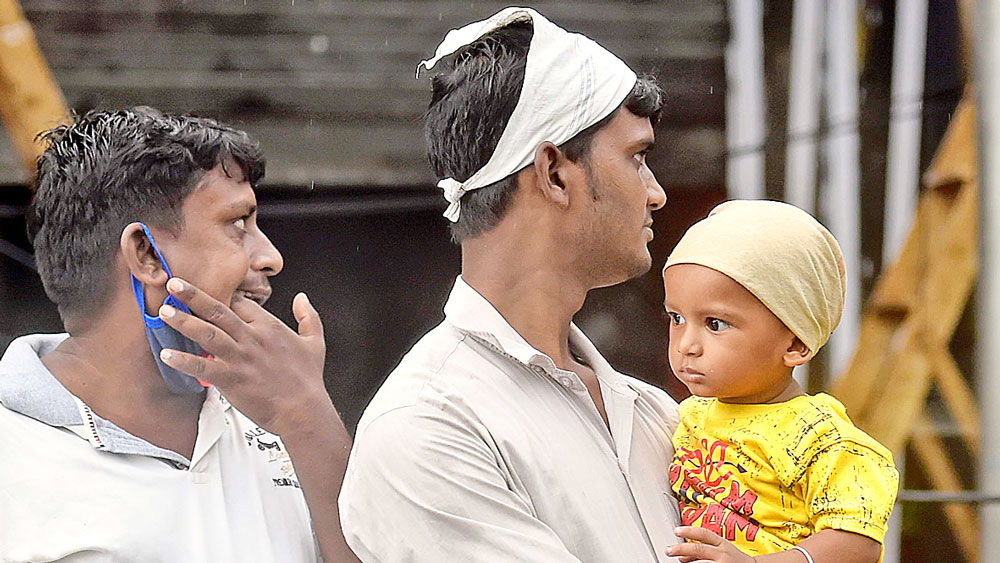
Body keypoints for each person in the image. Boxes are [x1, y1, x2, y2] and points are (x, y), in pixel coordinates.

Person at [339, 7, 682, 562]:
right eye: (637, 158)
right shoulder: (429, 427)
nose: (656, 192)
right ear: (553, 173)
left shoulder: (656, 414)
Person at [0, 107, 357, 562]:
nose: (270, 257)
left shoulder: (285, 421)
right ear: (146, 254)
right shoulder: (12, 453)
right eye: (238, 224)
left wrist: (310, 418)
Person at [661, 200, 899, 563]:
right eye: (676, 318)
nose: (687, 346)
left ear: (795, 343)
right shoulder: (688, 417)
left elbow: (858, 542)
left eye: (715, 324)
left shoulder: (821, 439)